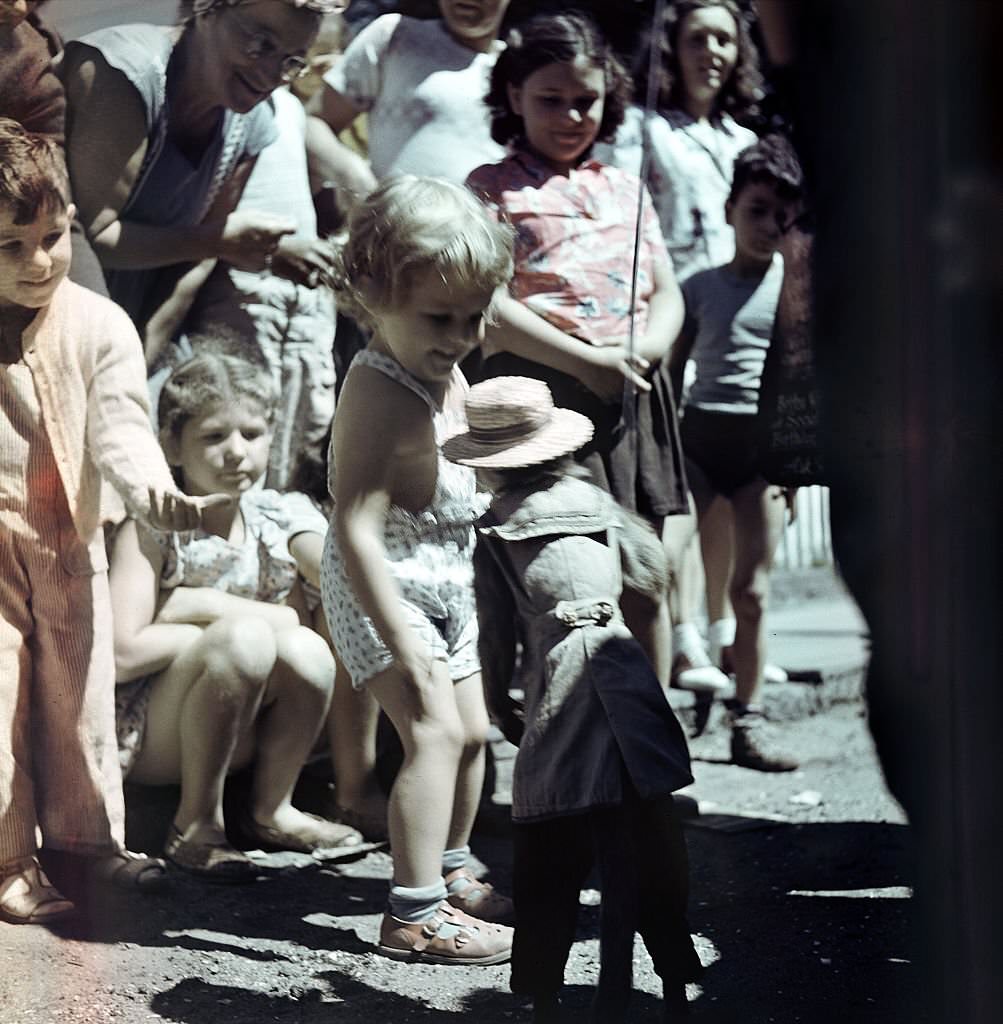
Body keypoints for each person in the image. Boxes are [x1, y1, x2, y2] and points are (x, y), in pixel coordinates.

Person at [0, 120, 221, 924]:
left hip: (67, 547)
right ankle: (8, 860)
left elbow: (123, 427)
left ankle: (87, 850)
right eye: (11, 246)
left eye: (53, 237)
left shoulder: (97, 324)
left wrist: (155, 491)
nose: (40, 262)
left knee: (75, 705)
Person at [444, 376, 702, 1023]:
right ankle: (674, 978)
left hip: (560, 690)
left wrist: (503, 702)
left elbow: (495, 633)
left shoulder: (495, 529)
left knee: (548, 845)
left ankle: (542, 988)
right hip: (626, 681)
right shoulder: (599, 503)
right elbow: (651, 581)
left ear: (490, 465)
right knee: (650, 839)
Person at [321, 176, 515, 963]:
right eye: (439, 317)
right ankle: (413, 913)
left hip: (443, 577)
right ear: (373, 292)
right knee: (431, 731)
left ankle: (452, 865)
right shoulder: (377, 390)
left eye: (474, 317)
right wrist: (399, 636)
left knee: (472, 731)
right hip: (382, 588)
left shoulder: (446, 371)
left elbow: (462, 467)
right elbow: (354, 524)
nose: (461, 335)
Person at [466, 10, 687, 688]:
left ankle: (651, 760)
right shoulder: (491, 188)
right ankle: (566, 751)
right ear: (513, 98)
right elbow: (490, 309)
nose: (570, 116)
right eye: (550, 100)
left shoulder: (623, 187)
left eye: (584, 100)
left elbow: (666, 290)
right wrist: (585, 360)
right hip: (545, 411)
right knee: (566, 582)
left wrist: (646, 348)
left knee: (645, 576)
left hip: (631, 400)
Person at [108, 348, 363, 883]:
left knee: (308, 648)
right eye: (213, 436)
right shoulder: (154, 524)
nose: (236, 453)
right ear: (173, 445)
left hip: (240, 729)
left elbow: (330, 580)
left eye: (252, 433)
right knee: (247, 639)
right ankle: (195, 825)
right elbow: (122, 652)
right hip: (154, 731)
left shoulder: (278, 513)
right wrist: (235, 621)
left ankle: (272, 808)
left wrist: (194, 607)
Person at [599, 0, 768, 696]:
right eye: (696, 37)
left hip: (731, 313)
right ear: (672, 47)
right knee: (680, 492)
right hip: (669, 314)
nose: (711, 52)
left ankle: (726, 634)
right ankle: (684, 637)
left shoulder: (737, 138)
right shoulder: (643, 129)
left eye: (724, 39)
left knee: (734, 497)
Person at [58, 0, 337, 342]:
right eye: (261, 44)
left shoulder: (252, 122)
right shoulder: (123, 74)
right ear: (208, 9)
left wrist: (141, 359)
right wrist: (217, 240)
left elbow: (197, 262)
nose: (272, 75)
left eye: (291, 61)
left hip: (130, 333)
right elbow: (88, 238)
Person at [667, 134, 803, 771]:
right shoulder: (697, 288)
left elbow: (807, 386)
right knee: (657, 567)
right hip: (697, 442)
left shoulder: (797, 292)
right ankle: (652, 724)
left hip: (760, 454)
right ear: (728, 210)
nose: (769, 225)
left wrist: (797, 468)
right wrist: (659, 457)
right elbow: (668, 378)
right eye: (756, 209)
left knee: (752, 592)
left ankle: (747, 722)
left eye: (783, 214)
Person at [312, 0, 510, 184]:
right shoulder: (396, 37)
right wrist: (357, 181)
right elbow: (314, 123)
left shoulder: (522, 73)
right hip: (389, 218)